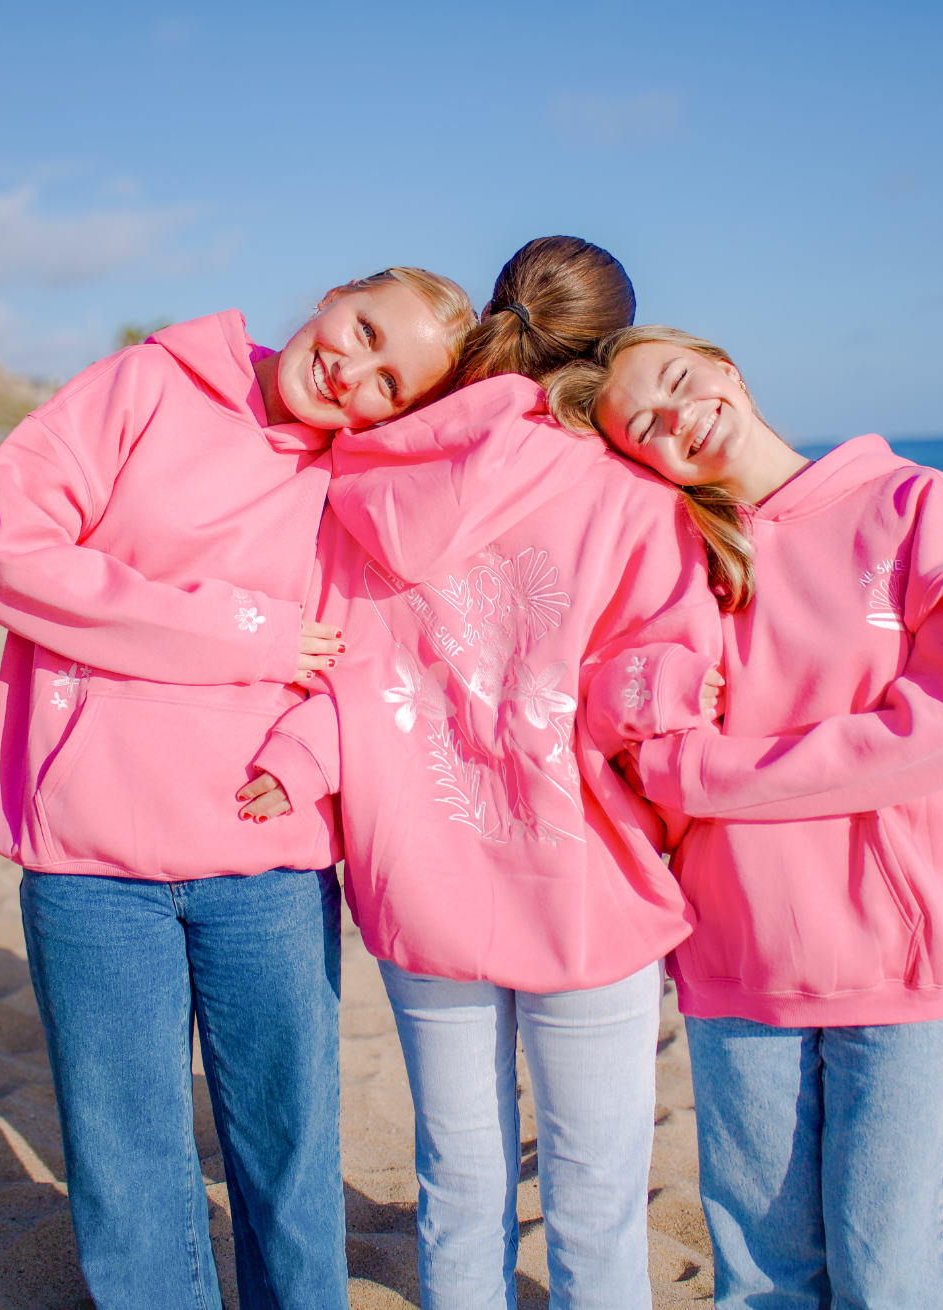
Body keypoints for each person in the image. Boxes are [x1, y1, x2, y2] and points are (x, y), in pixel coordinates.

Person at [0, 266, 476, 1310]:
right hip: (91, 857)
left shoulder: (361, 484)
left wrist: (307, 747)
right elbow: (11, 556)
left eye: (391, 382)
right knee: (127, 1159)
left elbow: (376, 661)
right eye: (364, 328)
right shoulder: (147, 384)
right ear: (333, 295)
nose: (354, 370)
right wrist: (243, 631)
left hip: (269, 867)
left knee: (290, 1154)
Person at [236, 239, 725, 1310]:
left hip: (420, 878)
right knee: (595, 1198)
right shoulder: (631, 491)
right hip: (583, 882)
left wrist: (306, 751)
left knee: (458, 1181)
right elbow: (656, 696)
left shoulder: (370, 475)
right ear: (602, 349)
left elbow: (339, 661)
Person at [549, 325, 943, 1309]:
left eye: (679, 382)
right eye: (646, 427)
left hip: (899, 952)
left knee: (888, 1274)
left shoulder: (908, 503)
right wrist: (669, 752)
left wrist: (711, 775)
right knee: (763, 1279)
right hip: (738, 953)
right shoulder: (676, 555)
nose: (677, 419)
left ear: (726, 367)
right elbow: (620, 726)